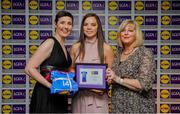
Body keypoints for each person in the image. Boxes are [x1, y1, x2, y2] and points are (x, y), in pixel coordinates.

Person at [25, 11, 73, 113]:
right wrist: (51, 86)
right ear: (55, 24)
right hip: (46, 95)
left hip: (59, 95)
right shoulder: (50, 42)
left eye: (69, 23)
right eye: (62, 22)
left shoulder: (64, 46)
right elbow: (29, 68)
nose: (66, 26)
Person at [106, 19, 156, 113]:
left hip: (138, 107)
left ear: (136, 34)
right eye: (123, 31)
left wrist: (117, 79)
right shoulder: (118, 54)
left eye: (130, 30)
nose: (126, 33)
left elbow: (143, 84)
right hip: (118, 106)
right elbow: (113, 78)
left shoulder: (144, 53)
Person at [70, 13, 114, 113]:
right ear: (82, 27)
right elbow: (71, 71)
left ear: (98, 27)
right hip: (79, 99)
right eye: (86, 25)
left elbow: (109, 78)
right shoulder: (75, 47)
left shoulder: (106, 48)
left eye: (93, 25)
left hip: (98, 101)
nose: (89, 27)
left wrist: (101, 85)